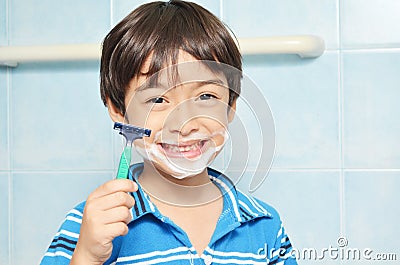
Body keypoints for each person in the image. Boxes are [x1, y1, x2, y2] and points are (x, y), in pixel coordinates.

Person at [40, 1, 297, 264]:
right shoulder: (90, 226)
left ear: (230, 106)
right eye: (158, 100)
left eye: (206, 96)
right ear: (118, 110)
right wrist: (86, 256)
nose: (185, 124)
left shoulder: (265, 225)